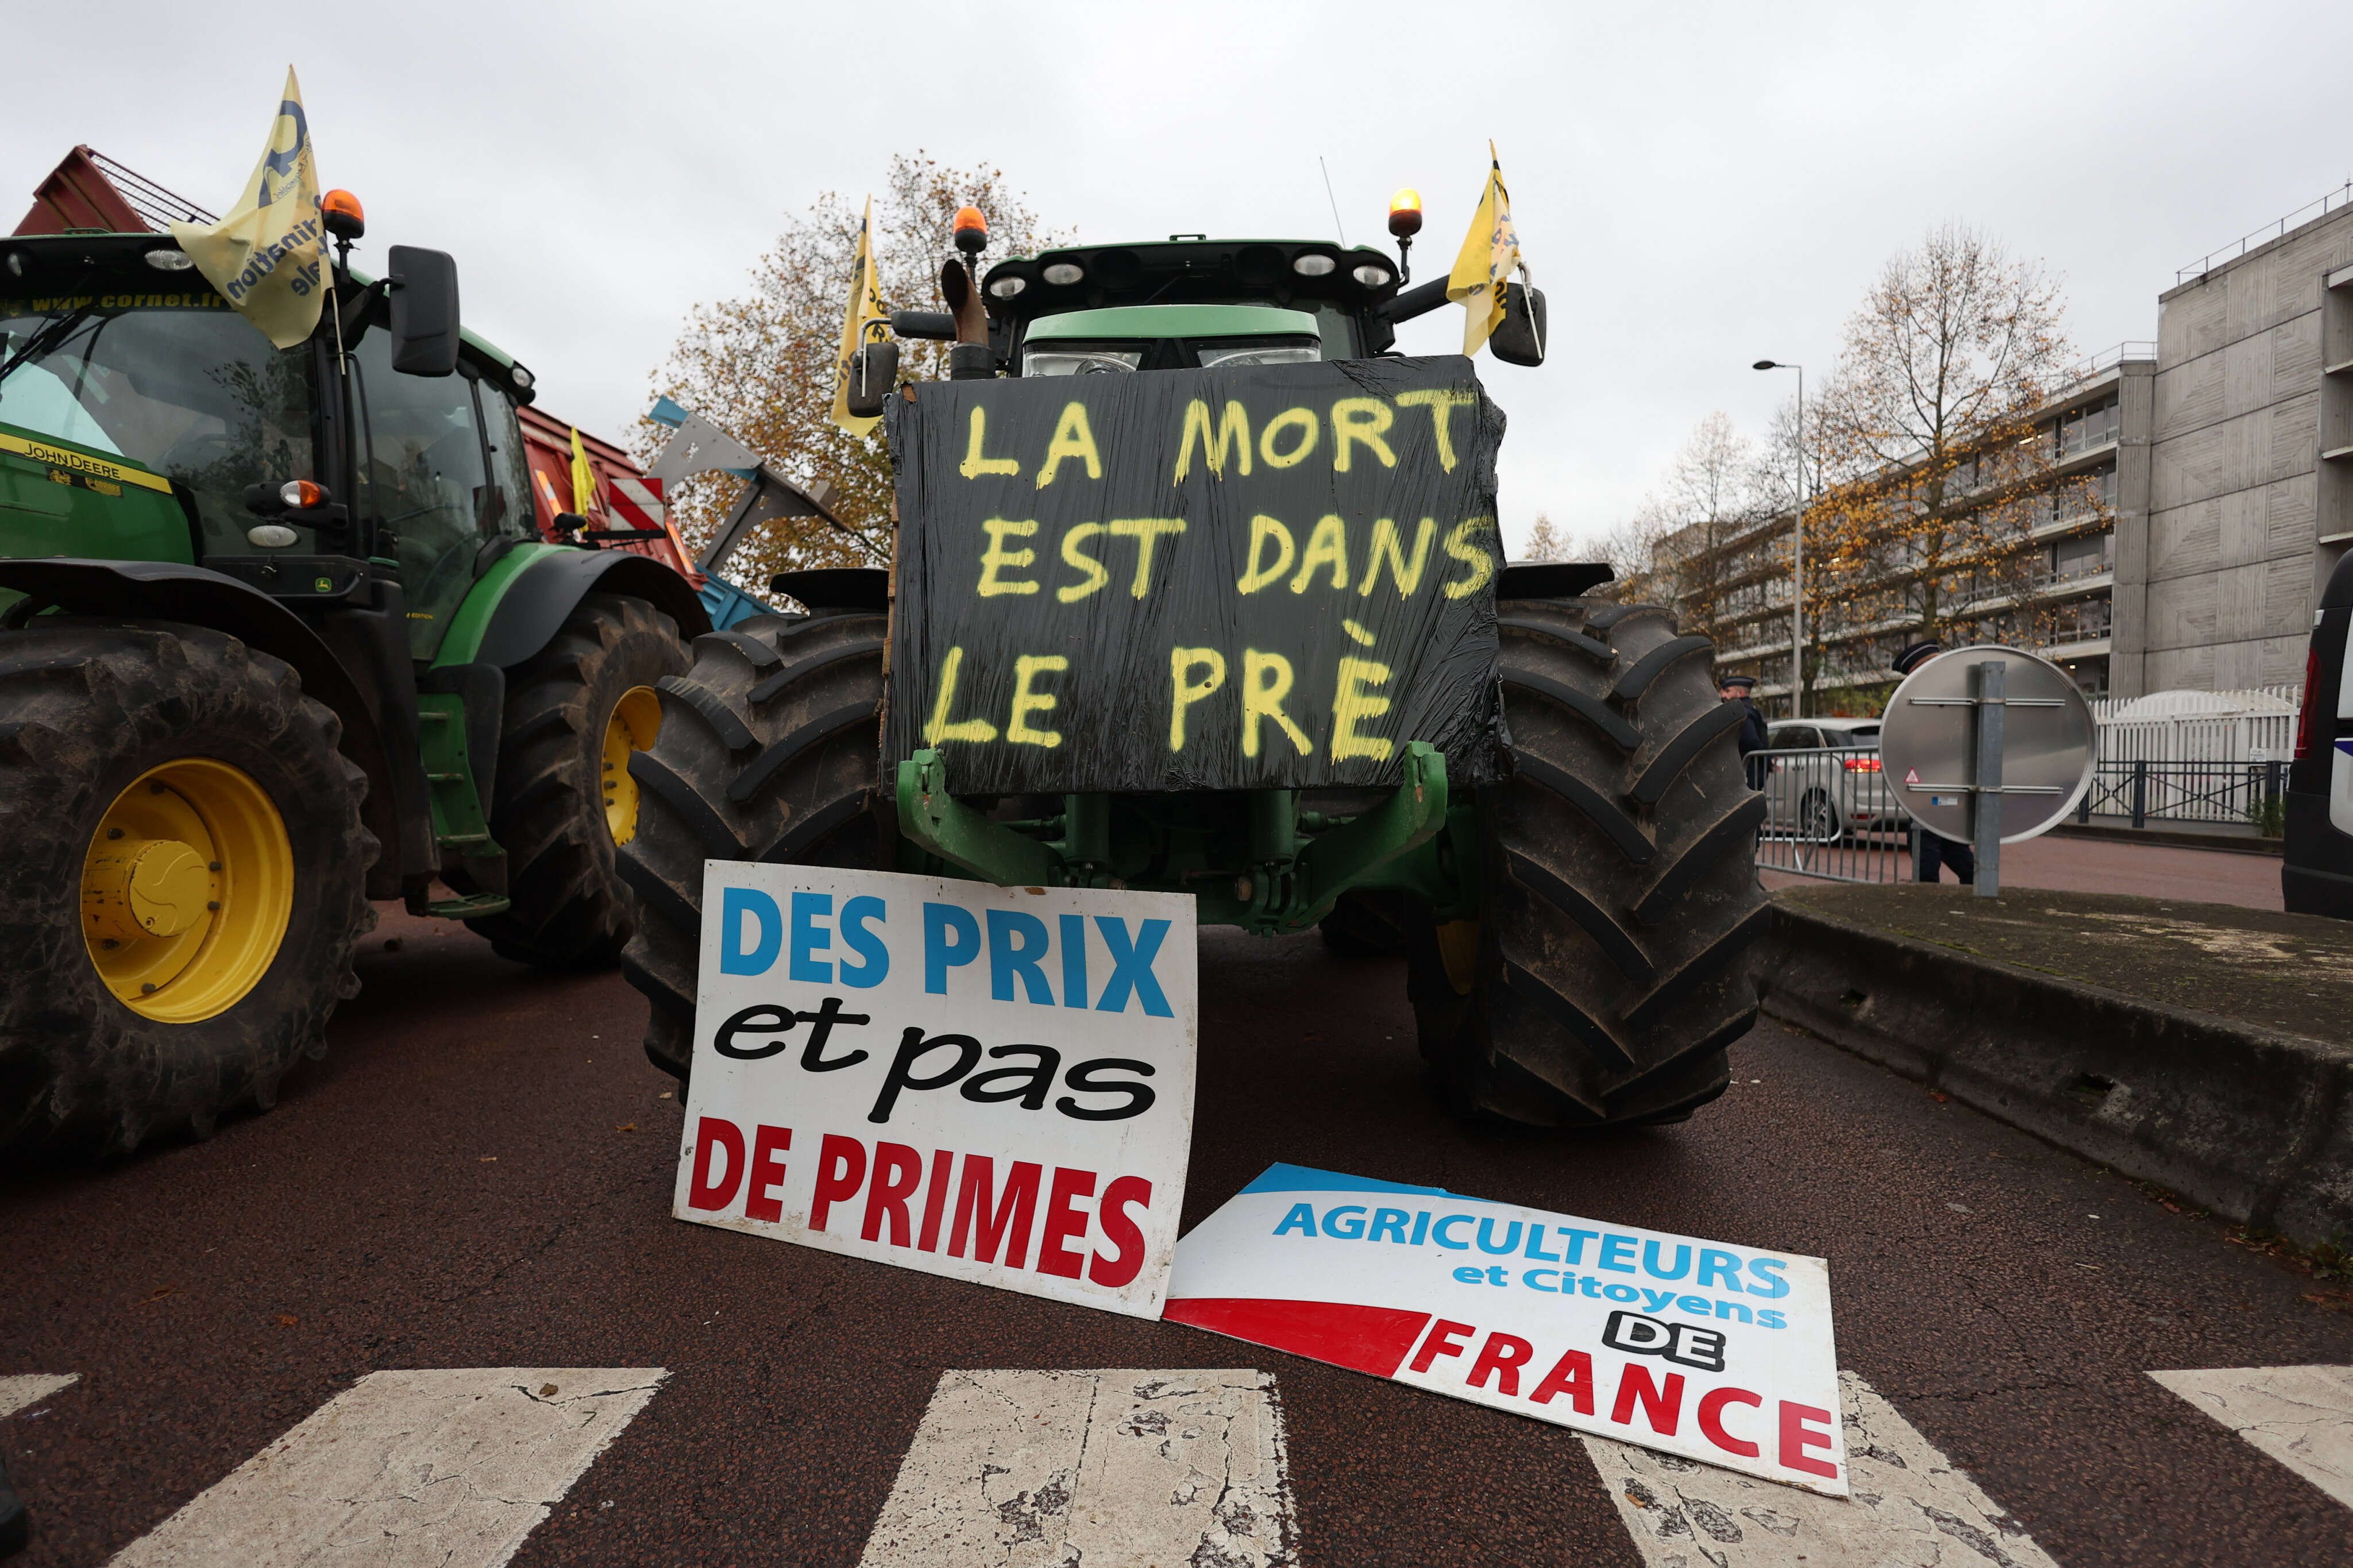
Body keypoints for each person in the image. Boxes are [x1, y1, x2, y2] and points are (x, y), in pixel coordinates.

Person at [1892, 640, 1977, 884]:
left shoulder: (1952, 698)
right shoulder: (1910, 704)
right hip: (1924, 799)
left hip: (1947, 796)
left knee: (1970, 871)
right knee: (1928, 872)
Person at [1718, 674, 1767, 787]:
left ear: (1740, 693)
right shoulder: (1753, 710)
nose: (1723, 695)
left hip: (1747, 771)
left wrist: (1768, 760)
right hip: (1753, 770)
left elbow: (1751, 740)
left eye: (1727, 691)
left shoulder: (1742, 712)